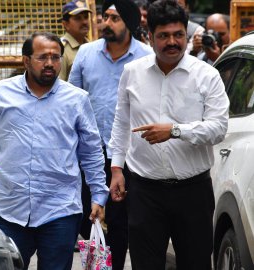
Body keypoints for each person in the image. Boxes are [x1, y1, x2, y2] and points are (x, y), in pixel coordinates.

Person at [0, 32, 109, 270]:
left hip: (60, 211)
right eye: (42, 57)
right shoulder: (1, 93)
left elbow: (91, 153)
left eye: (55, 57)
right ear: (26, 61)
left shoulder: (77, 100)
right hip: (10, 211)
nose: (50, 63)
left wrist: (99, 195)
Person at [108, 0, 230, 269]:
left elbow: (219, 128)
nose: (172, 42)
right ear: (150, 37)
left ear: (186, 35)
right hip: (144, 191)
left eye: (178, 35)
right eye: (163, 36)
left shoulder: (207, 76)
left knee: (195, 263)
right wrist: (117, 168)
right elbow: (122, 122)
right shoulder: (132, 73)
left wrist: (175, 131)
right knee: (145, 264)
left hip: (193, 192)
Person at [68, 0, 152, 269]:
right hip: (88, 151)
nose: (106, 23)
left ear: (129, 23)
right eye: (104, 17)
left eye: (114, 18)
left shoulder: (146, 57)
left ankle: (113, 264)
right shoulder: (86, 53)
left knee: (119, 218)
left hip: (126, 154)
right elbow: (71, 99)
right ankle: (99, 244)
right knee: (82, 213)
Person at [59, 0, 92, 81]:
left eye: (86, 17)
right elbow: (58, 85)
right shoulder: (60, 49)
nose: (84, 22)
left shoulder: (91, 46)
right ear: (65, 24)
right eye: (78, 18)